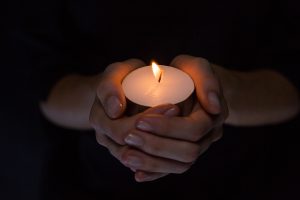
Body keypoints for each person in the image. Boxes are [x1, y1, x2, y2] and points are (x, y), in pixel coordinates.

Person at [2, 0, 299, 199]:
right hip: (92, 183)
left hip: (251, 179)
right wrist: (104, 101)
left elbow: (292, 83)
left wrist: (223, 94)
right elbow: (47, 85)